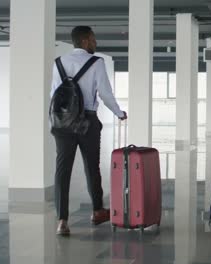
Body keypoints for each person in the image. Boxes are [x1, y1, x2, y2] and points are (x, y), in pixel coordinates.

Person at [51, 26, 127, 236]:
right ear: (84, 41)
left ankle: (62, 221)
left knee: (62, 170)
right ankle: (96, 211)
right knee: (92, 167)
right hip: (87, 121)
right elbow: (105, 93)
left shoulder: (59, 63)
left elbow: (54, 94)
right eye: (93, 39)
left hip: (63, 123)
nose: (95, 43)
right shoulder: (96, 63)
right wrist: (119, 113)